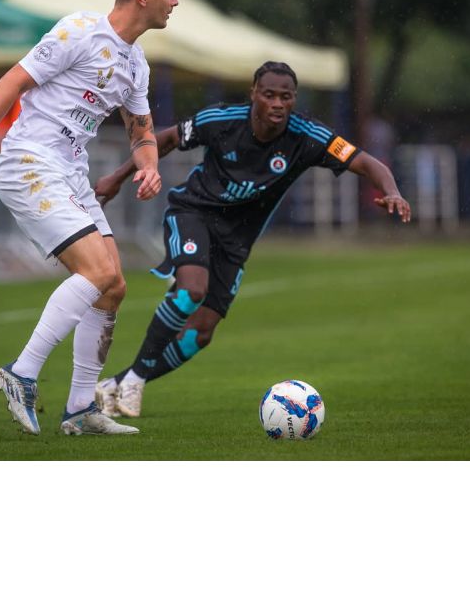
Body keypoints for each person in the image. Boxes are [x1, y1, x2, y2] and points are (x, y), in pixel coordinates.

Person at [94, 61, 411, 418]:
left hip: (236, 242)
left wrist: (392, 190)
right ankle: (135, 380)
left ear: (294, 100)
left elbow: (367, 163)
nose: (277, 103)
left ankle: (114, 384)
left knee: (201, 333)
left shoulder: (308, 136)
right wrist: (118, 177)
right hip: (193, 213)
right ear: (254, 94)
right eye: (269, 95)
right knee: (191, 291)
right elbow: (166, 139)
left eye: (285, 97)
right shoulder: (221, 120)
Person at [0, 0, 178, 436]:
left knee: (114, 286)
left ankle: (79, 409)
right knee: (98, 272)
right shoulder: (81, 31)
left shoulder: (136, 64)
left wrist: (150, 168)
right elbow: (12, 81)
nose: (174, 2)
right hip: (29, 161)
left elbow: (141, 133)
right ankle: (21, 373)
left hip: (69, 173)